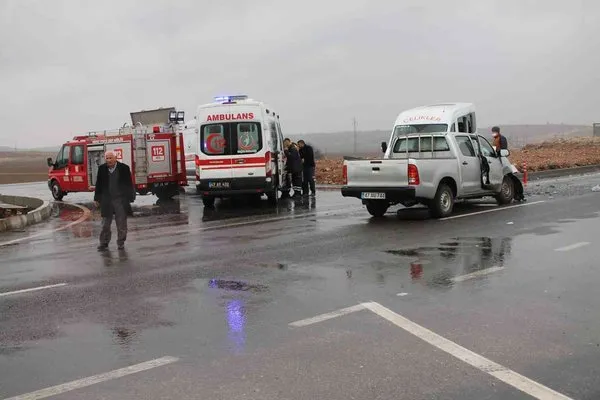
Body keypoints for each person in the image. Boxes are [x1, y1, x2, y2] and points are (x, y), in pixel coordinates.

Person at [94, 151, 135, 250]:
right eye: (107, 158)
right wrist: (96, 198)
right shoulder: (102, 169)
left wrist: (131, 197)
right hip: (107, 201)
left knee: (121, 224)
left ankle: (121, 243)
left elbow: (129, 184)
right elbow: (98, 185)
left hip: (120, 200)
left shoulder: (124, 168)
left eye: (110, 158)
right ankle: (104, 243)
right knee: (105, 225)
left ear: (115, 158)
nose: (108, 160)